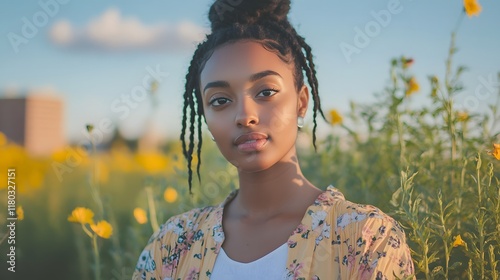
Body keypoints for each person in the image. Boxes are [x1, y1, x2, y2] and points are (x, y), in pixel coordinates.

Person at [132, 0, 415, 279]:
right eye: (220, 100)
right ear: (205, 115)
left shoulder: (367, 239)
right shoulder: (172, 244)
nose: (245, 115)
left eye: (265, 92)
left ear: (301, 102)